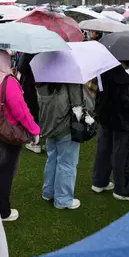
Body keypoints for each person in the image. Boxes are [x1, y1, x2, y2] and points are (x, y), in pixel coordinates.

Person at [0, 49, 40, 221]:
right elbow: (21, 111)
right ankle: (2, 211)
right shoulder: (9, 82)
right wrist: (34, 130)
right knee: (3, 171)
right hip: (4, 132)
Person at [37, 82, 95, 210]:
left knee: (52, 159)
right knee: (67, 163)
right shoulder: (71, 81)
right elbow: (82, 104)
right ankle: (63, 199)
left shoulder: (42, 78)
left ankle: (48, 192)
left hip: (48, 125)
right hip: (65, 127)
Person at [92, 63, 129, 203]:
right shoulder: (122, 79)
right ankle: (123, 190)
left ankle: (99, 181)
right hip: (123, 121)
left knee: (104, 149)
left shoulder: (103, 72)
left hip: (106, 117)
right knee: (123, 154)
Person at [17, 53, 41, 154]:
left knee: (30, 110)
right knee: (37, 110)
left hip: (30, 85)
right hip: (44, 85)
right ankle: (38, 133)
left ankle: (34, 140)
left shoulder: (29, 52)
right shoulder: (47, 50)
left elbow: (21, 67)